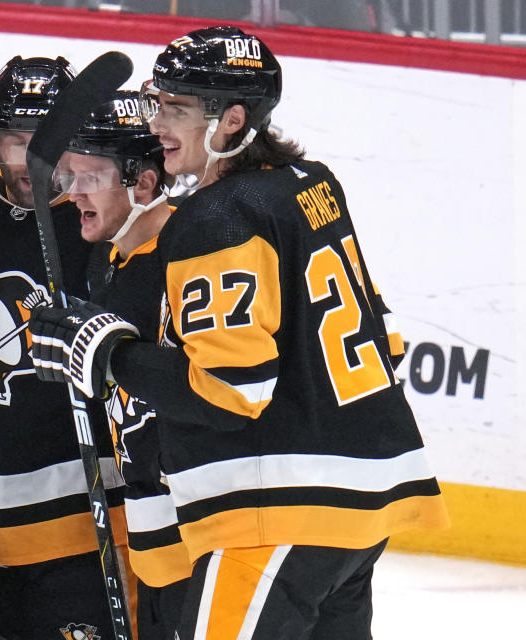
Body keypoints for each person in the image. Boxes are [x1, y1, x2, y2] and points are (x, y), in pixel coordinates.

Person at [29, 27, 450, 639]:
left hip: (277, 516)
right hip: (360, 510)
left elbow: (230, 389)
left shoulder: (217, 216)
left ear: (231, 120)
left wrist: (107, 354)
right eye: (156, 102)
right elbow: (382, 338)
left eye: (176, 109)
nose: (157, 125)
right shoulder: (311, 185)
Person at [0, 55, 131, 640]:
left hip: (89, 512)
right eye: (16, 142)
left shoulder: (107, 215)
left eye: (46, 144)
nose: (31, 161)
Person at [55, 89, 191, 640]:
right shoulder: (106, 255)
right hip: (146, 507)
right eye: (71, 176)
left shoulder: (190, 255)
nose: (74, 194)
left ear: (144, 184)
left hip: (202, 515)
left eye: (91, 178)